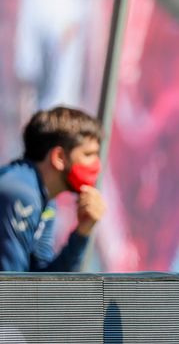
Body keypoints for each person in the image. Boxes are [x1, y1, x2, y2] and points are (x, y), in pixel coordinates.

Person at [0, 106, 105, 272]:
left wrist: (82, 232)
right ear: (59, 158)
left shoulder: (46, 201)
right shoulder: (21, 194)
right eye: (88, 154)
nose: (97, 165)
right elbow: (12, 290)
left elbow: (44, 281)